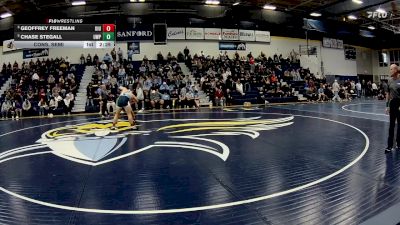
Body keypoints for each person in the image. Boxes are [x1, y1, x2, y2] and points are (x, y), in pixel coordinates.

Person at [385, 64, 400, 153]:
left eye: (391, 69)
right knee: (391, 126)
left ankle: (399, 143)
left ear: (396, 70)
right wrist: (387, 106)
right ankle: (389, 146)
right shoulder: (389, 80)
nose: (390, 71)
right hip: (393, 103)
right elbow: (388, 94)